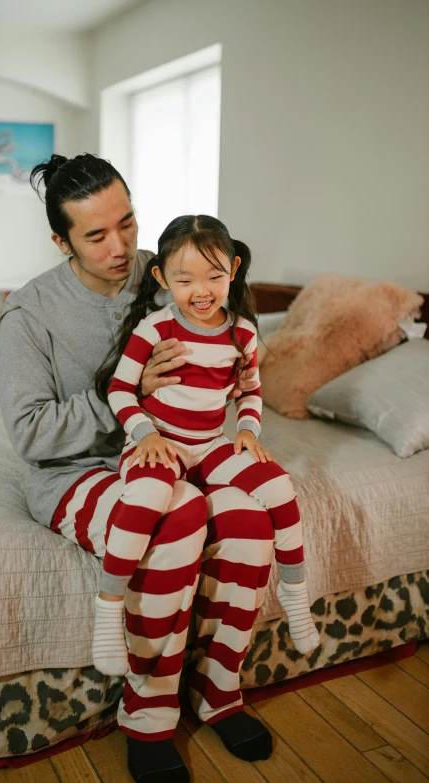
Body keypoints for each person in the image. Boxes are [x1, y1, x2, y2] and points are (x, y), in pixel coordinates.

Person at [0, 153, 315, 783]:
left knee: (250, 518)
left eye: (128, 223)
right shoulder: (29, 313)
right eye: (95, 235)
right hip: (77, 469)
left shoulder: (171, 271)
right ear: (61, 241)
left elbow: (231, 330)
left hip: (178, 455)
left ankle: (219, 688)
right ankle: (146, 713)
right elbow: (29, 433)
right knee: (179, 518)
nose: (121, 247)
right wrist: (128, 395)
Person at [91, 212, 319, 685]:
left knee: (278, 486)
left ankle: (297, 596)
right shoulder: (156, 328)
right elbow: (119, 390)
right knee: (151, 497)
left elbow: (250, 392)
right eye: (184, 278)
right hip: (159, 444)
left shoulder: (242, 332)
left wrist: (249, 430)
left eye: (215, 276)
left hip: (211, 444)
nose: (201, 290)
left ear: (233, 271)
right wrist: (144, 434)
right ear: (161, 278)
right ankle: (108, 610)